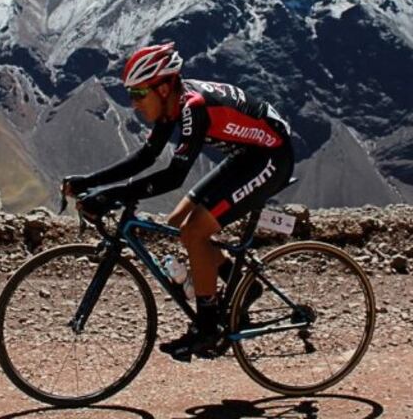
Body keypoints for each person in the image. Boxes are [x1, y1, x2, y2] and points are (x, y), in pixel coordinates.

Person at [62, 42, 294, 361]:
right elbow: (146, 157)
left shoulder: (192, 107)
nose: (134, 104)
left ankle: (208, 327)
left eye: (140, 94)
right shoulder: (173, 104)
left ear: (164, 86)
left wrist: (111, 197)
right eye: (131, 94)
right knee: (178, 222)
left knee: (194, 231)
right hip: (246, 155)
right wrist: (89, 183)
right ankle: (243, 287)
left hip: (271, 158)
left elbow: (173, 177)